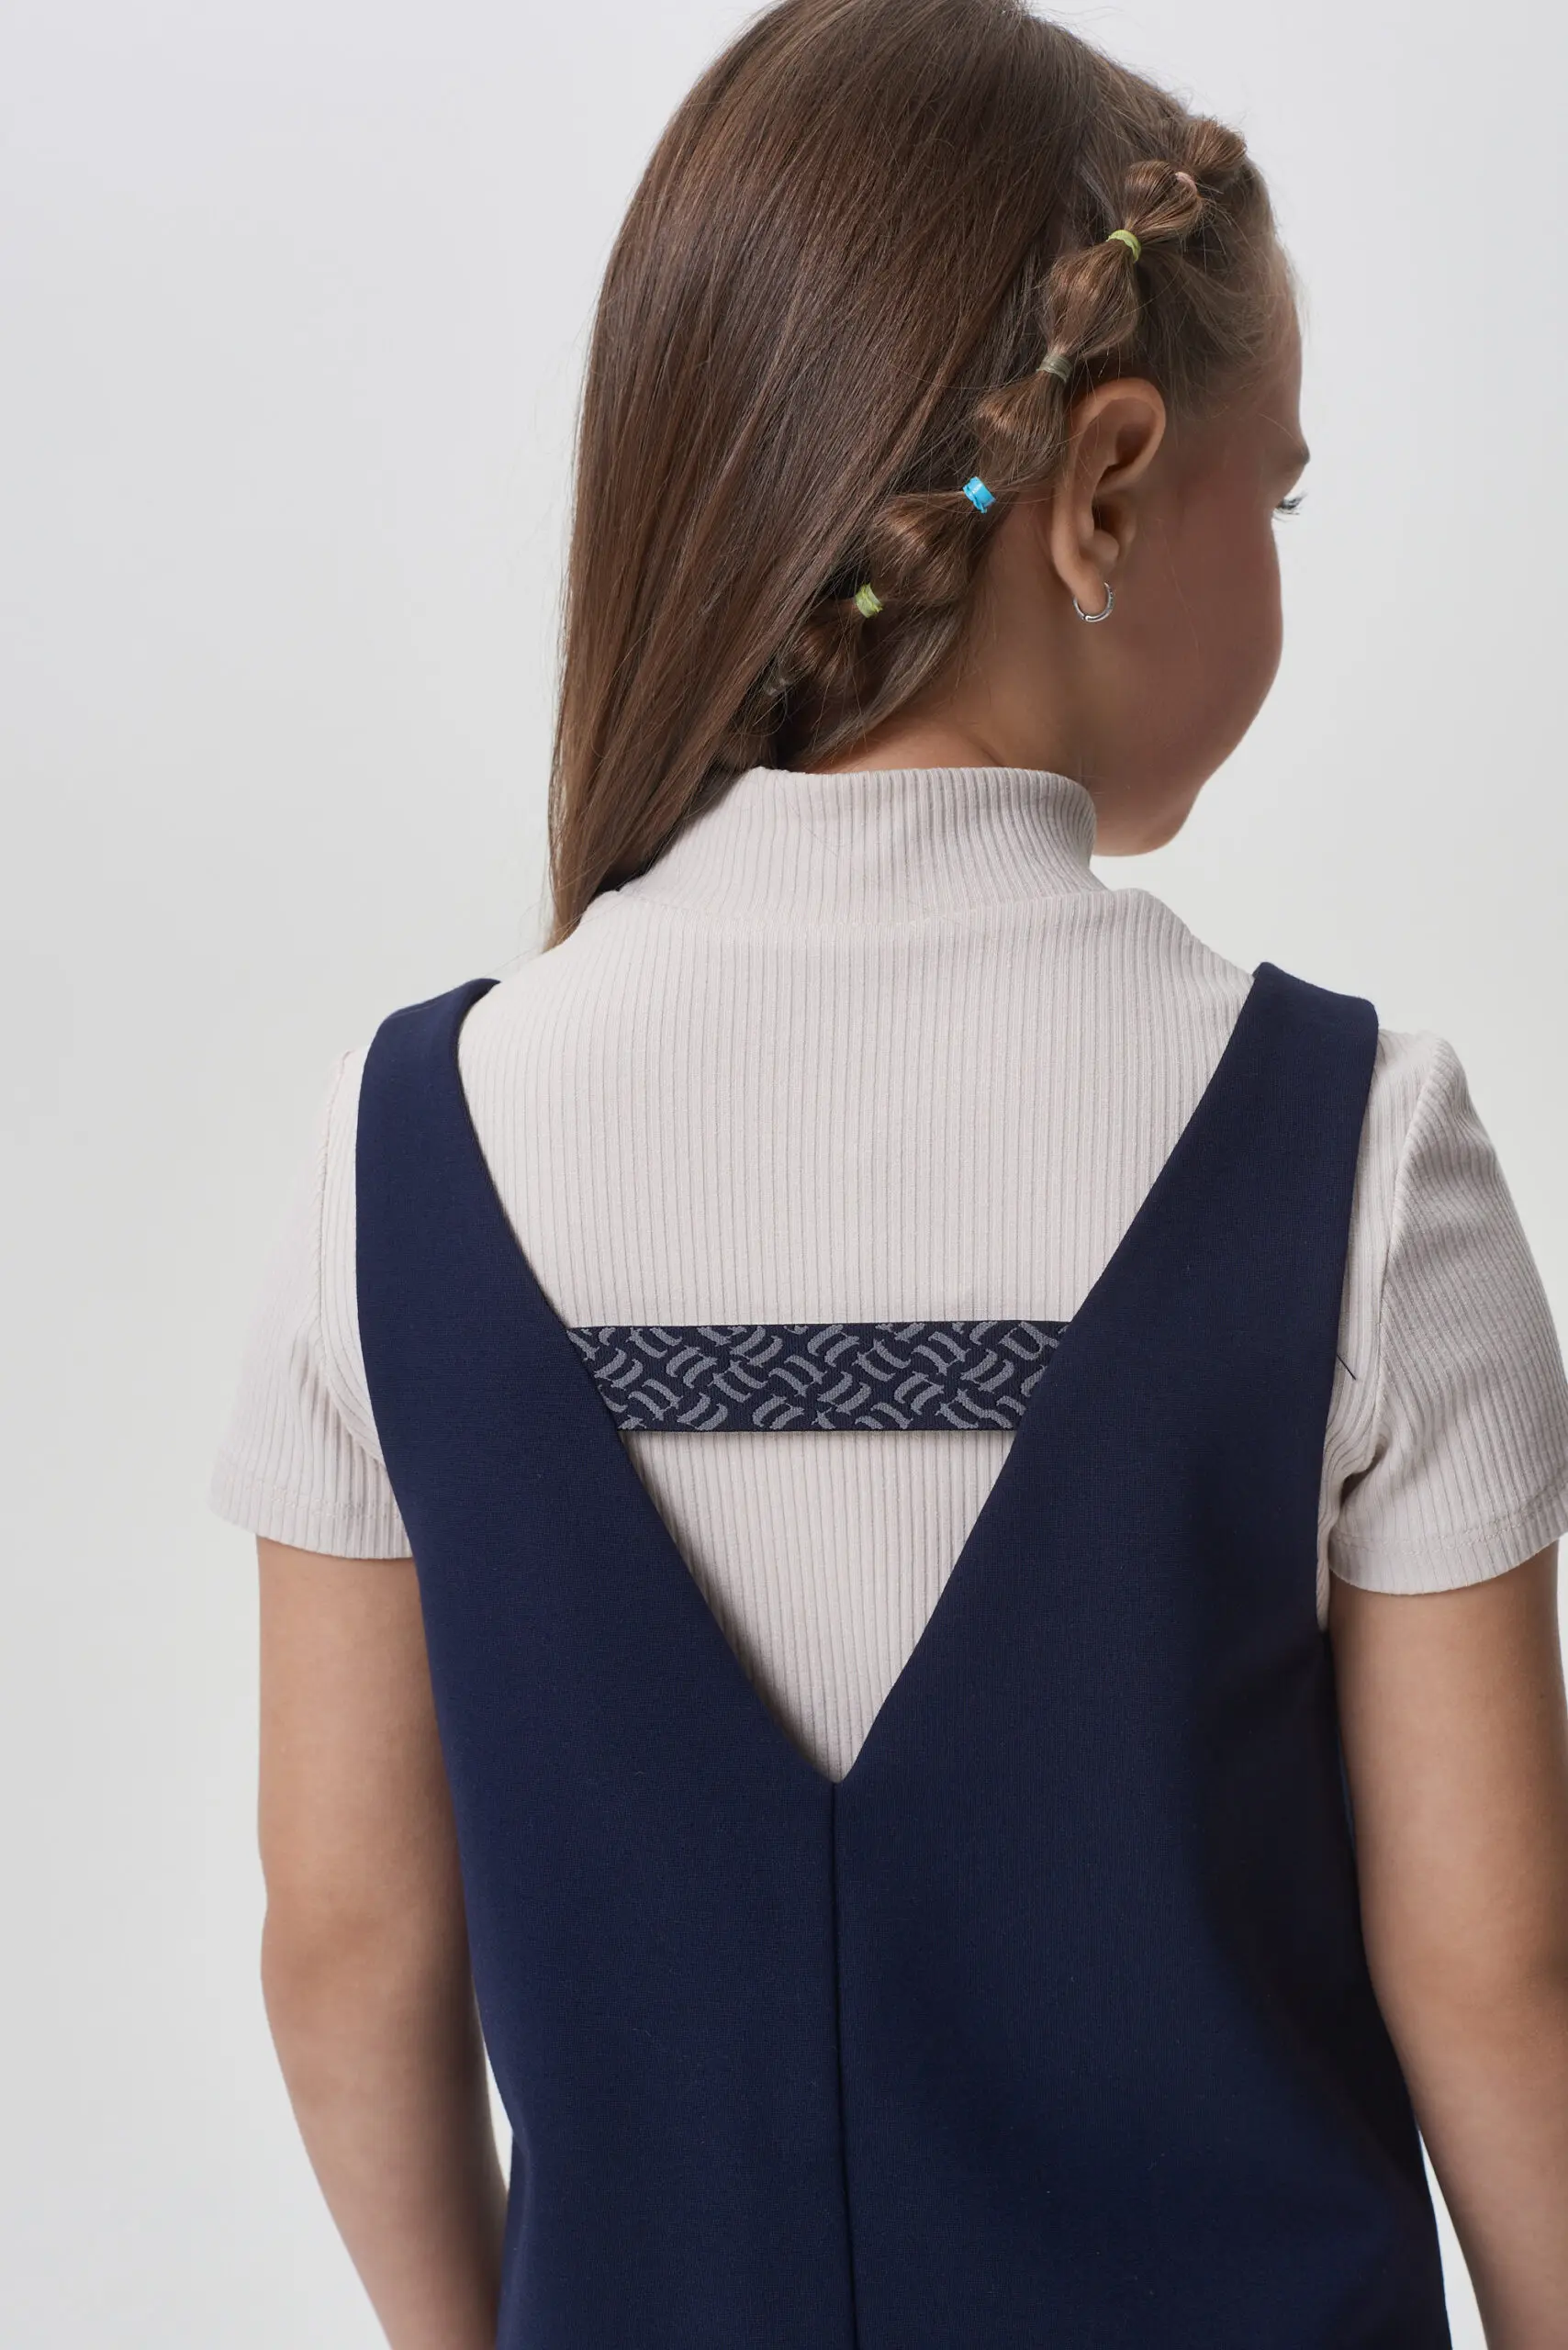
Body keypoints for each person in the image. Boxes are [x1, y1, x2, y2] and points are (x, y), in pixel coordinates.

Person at [208, 0, 1568, 2342]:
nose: (1281, 551)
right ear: (1106, 484)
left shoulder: (401, 1158)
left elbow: (345, 1942)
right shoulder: (1358, 1149)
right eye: (1276, 491)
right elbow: (1500, 1980)